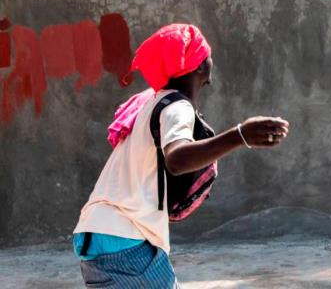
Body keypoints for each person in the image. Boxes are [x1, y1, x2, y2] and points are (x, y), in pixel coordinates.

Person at [72, 24, 289, 288]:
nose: (211, 59)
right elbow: (176, 159)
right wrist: (239, 135)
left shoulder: (148, 103)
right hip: (126, 240)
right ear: (199, 66)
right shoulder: (176, 106)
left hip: (96, 234)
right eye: (207, 53)